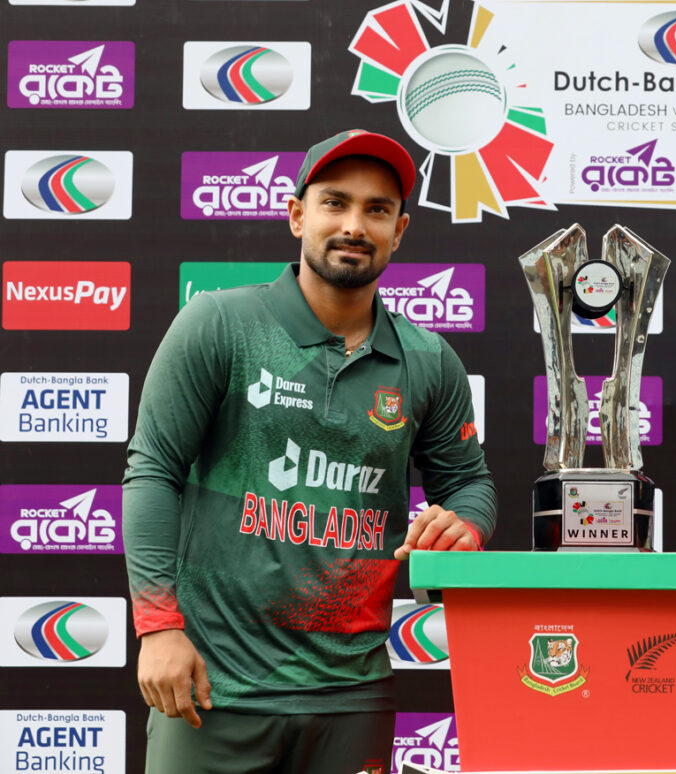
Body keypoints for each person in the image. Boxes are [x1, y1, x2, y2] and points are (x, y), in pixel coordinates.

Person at [122, 129, 497, 774]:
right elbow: (152, 471)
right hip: (214, 689)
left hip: (353, 695)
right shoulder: (219, 324)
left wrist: (465, 526)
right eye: (335, 203)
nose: (354, 226)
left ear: (399, 230)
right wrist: (159, 627)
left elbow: (470, 483)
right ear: (298, 215)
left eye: (377, 210)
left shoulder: (429, 359)